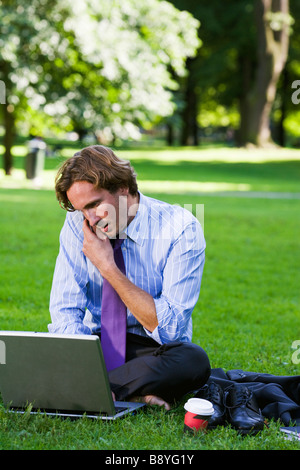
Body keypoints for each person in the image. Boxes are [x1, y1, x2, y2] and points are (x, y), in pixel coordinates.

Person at [48, 145, 210, 410]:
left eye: (94, 205)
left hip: (152, 349)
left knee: (192, 360)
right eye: (81, 210)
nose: (90, 218)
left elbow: (170, 332)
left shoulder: (181, 228)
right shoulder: (79, 224)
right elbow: (66, 310)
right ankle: (128, 392)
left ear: (122, 188)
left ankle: (82, 388)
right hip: (95, 343)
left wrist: (107, 267)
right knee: (22, 354)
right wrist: (77, 360)